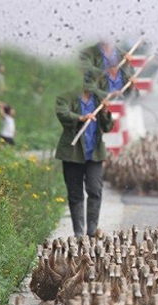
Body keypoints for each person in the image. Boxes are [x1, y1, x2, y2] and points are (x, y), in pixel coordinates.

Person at [55, 79, 114, 237]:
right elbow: (63, 114)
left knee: (95, 190)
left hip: (94, 155)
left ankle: (92, 230)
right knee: (75, 194)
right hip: (73, 154)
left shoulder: (99, 101)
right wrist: (80, 118)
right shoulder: (65, 98)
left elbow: (107, 127)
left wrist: (105, 112)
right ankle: (79, 233)